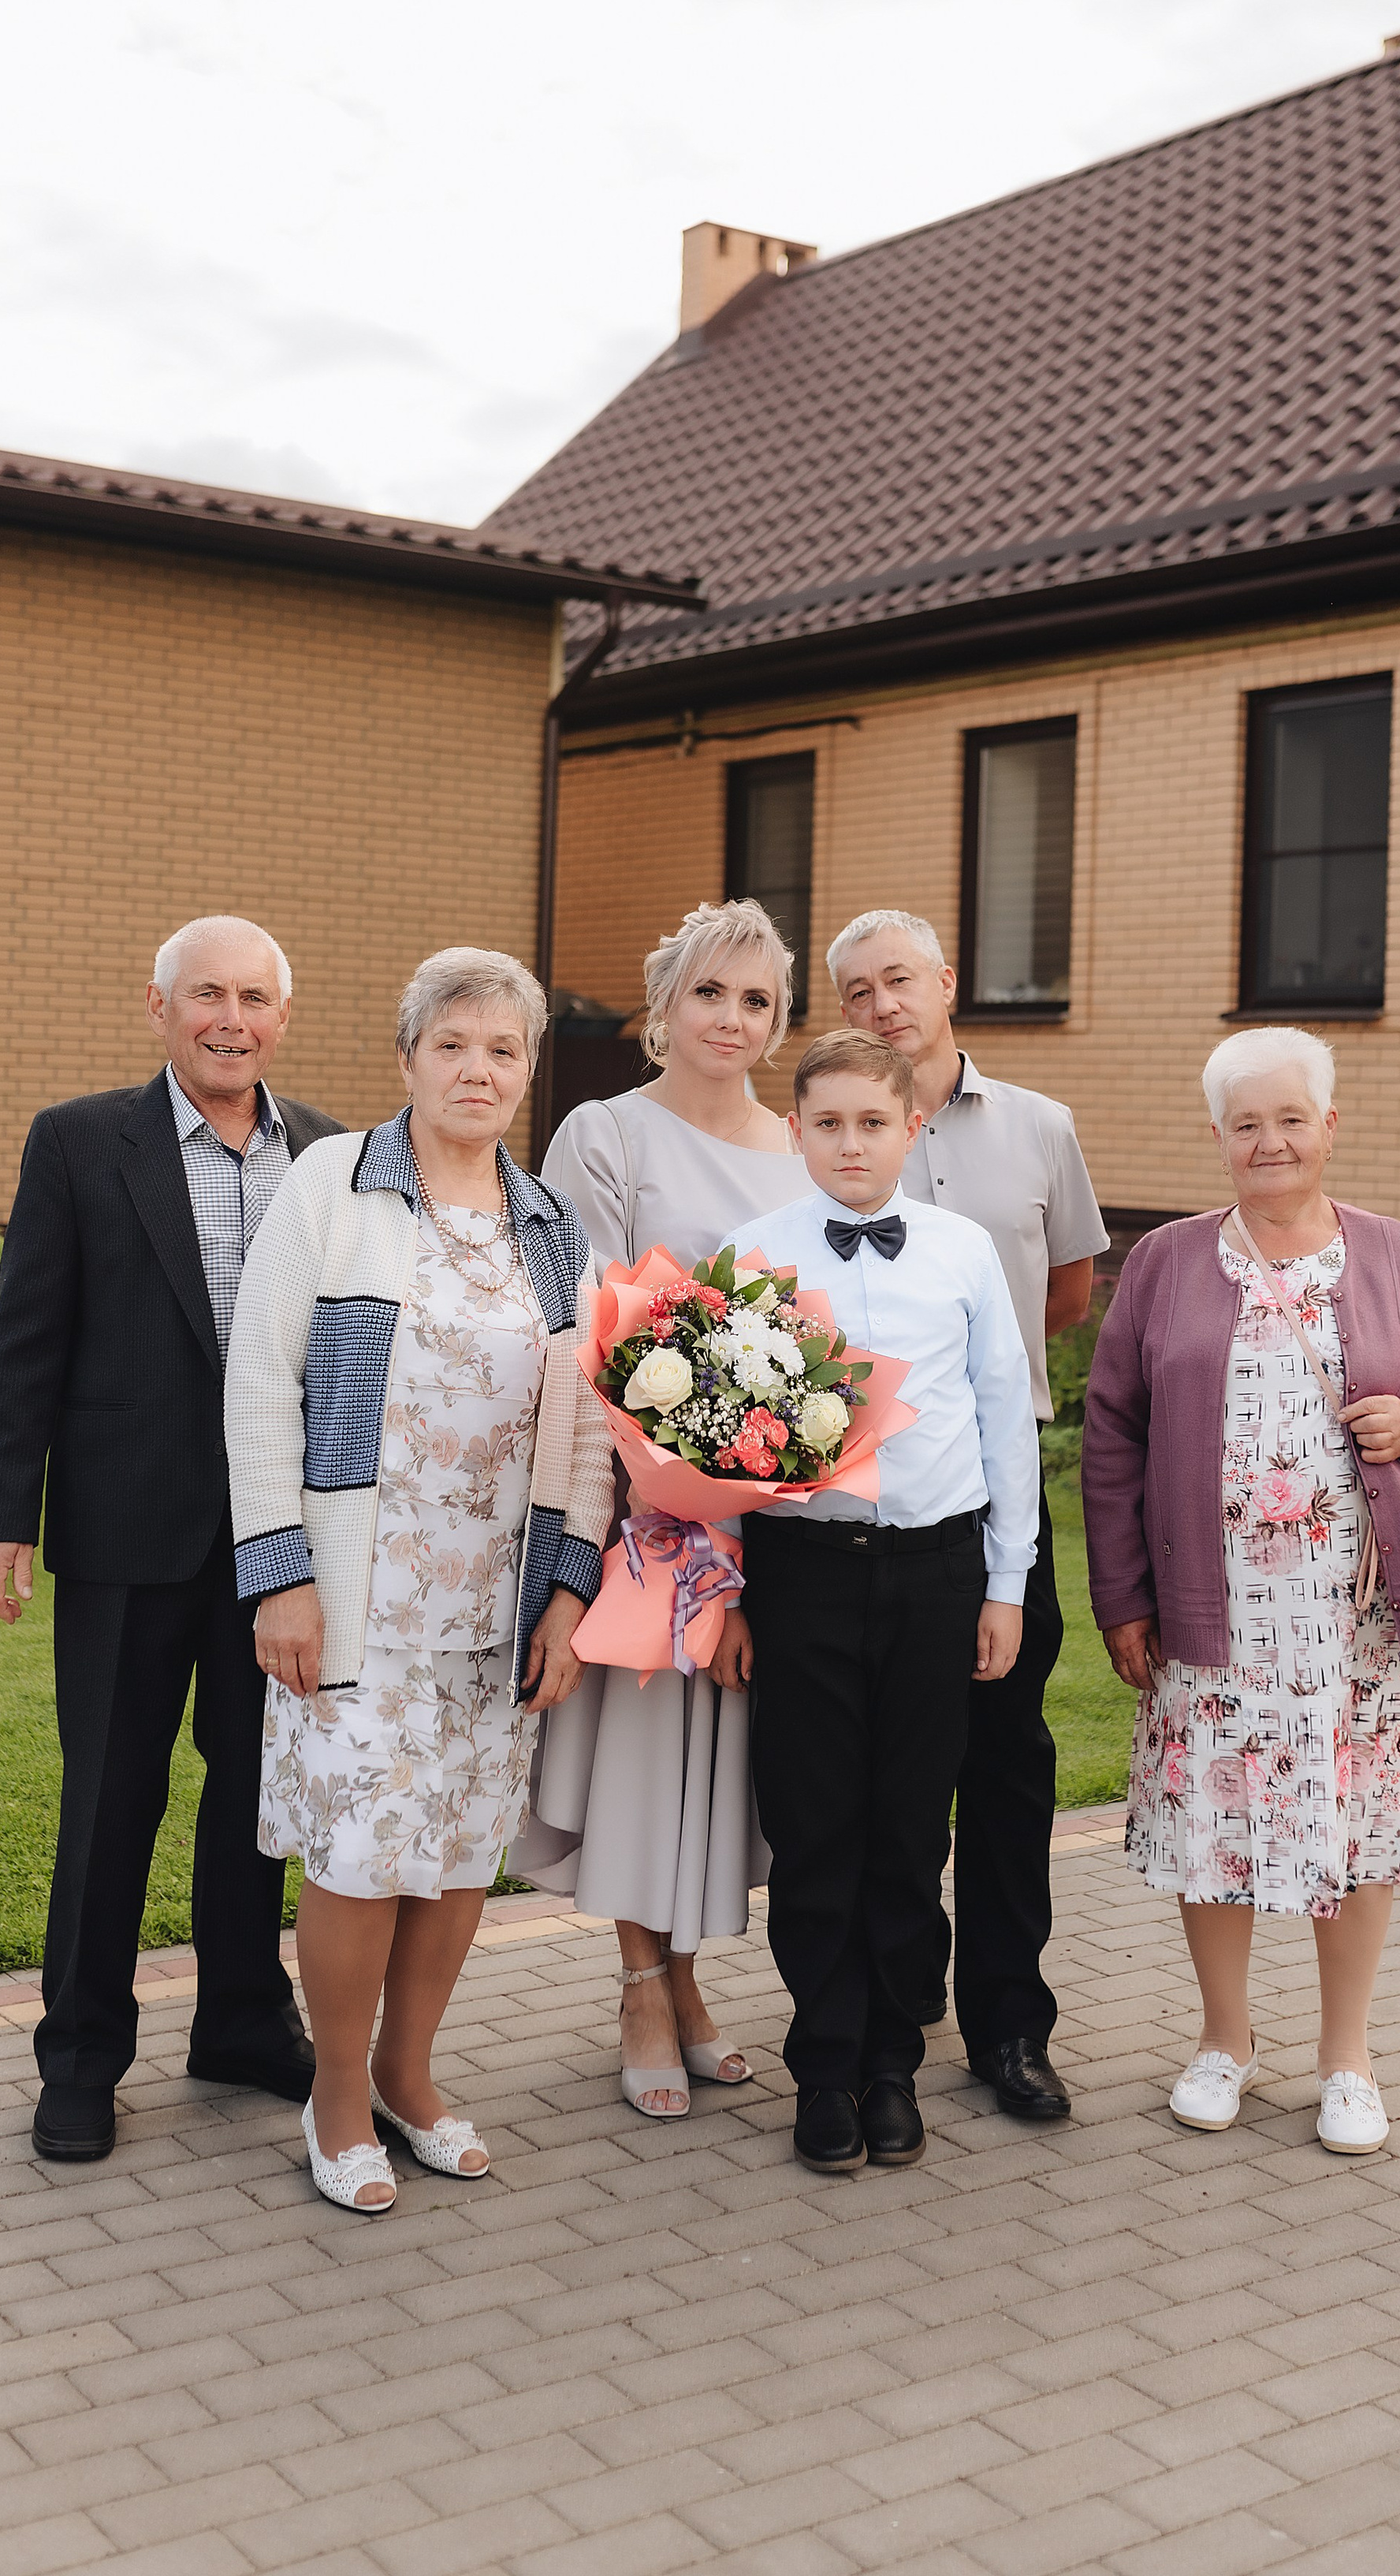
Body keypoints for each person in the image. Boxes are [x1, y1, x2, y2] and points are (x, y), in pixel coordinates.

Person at [226, 948, 611, 2210]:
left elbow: (595, 1429)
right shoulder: (332, 1185)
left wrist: (567, 1595)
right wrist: (281, 1575)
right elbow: (259, 1387)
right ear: (407, 1058)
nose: (479, 1068)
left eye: (504, 1049)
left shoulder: (551, 1224)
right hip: (358, 1597)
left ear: (528, 1071)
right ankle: (335, 2095)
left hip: (493, 1606)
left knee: (453, 1854)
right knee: (356, 1850)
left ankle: (408, 2071)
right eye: (453, 1043)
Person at [1081, 1027, 1400, 2155]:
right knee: (1214, 1823)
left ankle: (1347, 2057)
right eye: (1245, 1122)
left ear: (1329, 1125)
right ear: (1217, 1137)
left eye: (1289, 1118)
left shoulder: (1398, 1254)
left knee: (1358, 1825)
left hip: (1357, 1617)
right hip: (1211, 1612)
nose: (1269, 1140)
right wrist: (1122, 1593)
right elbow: (1112, 1431)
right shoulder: (1168, 1262)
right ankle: (1225, 2039)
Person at [0, 915, 346, 2164]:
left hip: (280, 1542)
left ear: (282, 1017)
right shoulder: (81, 1142)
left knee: (255, 1794)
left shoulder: (335, 1155)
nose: (231, 1017)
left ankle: (241, 2018)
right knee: (111, 1799)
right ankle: (78, 2055)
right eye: (207, 996)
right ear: (159, 1006)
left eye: (254, 997)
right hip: (129, 1532)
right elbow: (27, 1335)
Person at [728, 1029, 1039, 2175]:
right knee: (815, 1824)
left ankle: (894, 2062)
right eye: (828, 1123)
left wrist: (1005, 1585)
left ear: (913, 1126)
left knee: (912, 1823)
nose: (851, 1143)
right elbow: (706, 1439)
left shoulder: (962, 1253)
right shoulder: (751, 1253)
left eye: (873, 1122)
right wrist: (727, 1595)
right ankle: (824, 2062)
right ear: (795, 1126)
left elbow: (1007, 1422)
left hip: (936, 1570)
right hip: (801, 1575)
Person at [524, 898, 802, 2117]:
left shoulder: (801, 1148)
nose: (730, 1019)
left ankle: (689, 1981)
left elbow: (811, 1334)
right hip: (640, 1498)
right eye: (709, 992)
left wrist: (756, 1474)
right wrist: (660, 1474)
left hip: (760, 1501)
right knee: (645, 1749)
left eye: (756, 999)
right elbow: (580, 1313)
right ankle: (643, 1982)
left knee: (724, 1762)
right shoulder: (605, 1132)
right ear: (663, 1006)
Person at [829, 906, 1105, 2123]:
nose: (883, 1004)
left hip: (998, 1501)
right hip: (857, 1512)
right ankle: (894, 2003)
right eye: (856, 991)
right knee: (889, 1770)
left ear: (948, 983)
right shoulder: (835, 1134)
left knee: (1004, 1759)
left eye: (901, 980)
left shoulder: (1039, 1127)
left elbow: (1064, 1292)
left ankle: (1008, 2020)